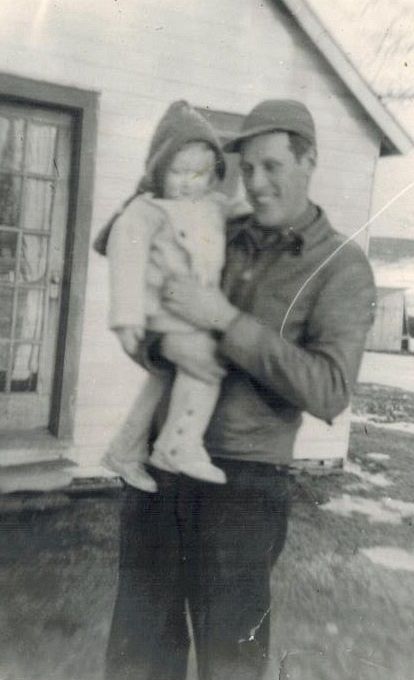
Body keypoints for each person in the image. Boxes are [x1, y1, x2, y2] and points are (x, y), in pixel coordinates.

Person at [104, 99, 376, 680]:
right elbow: (149, 292)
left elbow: (330, 390)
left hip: (243, 489)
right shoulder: (217, 225)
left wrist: (226, 320)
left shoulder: (341, 266)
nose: (255, 182)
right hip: (158, 471)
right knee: (137, 658)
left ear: (309, 160)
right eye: (247, 168)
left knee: (230, 663)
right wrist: (162, 346)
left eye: (272, 166)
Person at [95, 101, 249, 491]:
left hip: (193, 308)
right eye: (177, 172)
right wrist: (127, 316)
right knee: (205, 365)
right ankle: (178, 447)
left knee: (163, 379)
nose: (187, 182)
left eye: (198, 174)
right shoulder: (147, 211)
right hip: (163, 307)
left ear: (212, 175)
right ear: (159, 170)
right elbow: (126, 261)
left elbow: (239, 213)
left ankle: (124, 450)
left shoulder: (213, 206)